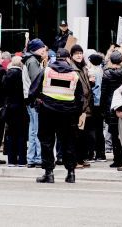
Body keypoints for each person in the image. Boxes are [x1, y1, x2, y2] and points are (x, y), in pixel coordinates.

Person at [30, 48, 83, 184]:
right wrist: (76, 112)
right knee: (68, 142)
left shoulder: (46, 71)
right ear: (67, 59)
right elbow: (80, 98)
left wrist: (35, 102)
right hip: (68, 113)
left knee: (47, 142)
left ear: (55, 58)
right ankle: (71, 173)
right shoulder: (74, 75)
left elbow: (33, 90)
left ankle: (49, 173)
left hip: (47, 112)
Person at [100, 49, 122, 168]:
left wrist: (102, 108)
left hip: (110, 105)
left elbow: (104, 92)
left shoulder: (106, 73)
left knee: (114, 133)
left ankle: (117, 159)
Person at [22, 39, 47, 168]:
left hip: (30, 98)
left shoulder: (31, 60)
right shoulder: (32, 61)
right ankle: (37, 158)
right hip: (34, 99)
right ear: (36, 49)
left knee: (33, 130)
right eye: (42, 47)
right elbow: (37, 81)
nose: (44, 49)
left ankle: (32, 158)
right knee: (37, 130)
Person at [2, 54, 30, 167]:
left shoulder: (6, 75)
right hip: (21, 107)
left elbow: (4, 91)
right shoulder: (22, 75)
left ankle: (11, 160)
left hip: (9, 107)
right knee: (22, 134)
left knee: (11, 134)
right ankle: (22, 160)